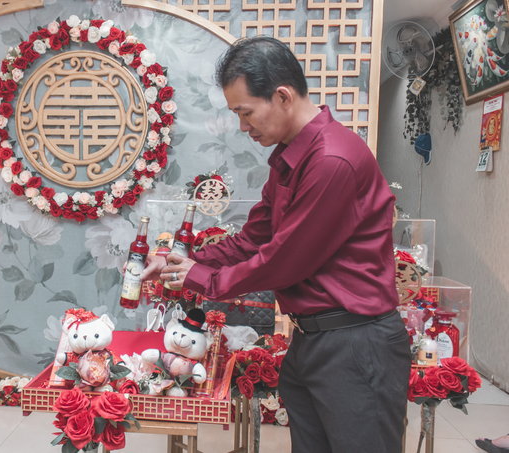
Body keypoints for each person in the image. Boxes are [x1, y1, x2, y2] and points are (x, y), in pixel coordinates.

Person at [141, 36, 411, 453]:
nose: (243, 128)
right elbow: (254, 238)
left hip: (355, 343)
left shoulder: (331, 161)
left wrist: (202, 279)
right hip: (314, 339)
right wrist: (186, 261)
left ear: (282, 96)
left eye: (246, 113)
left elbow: (286, 260)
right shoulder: (291, 157)